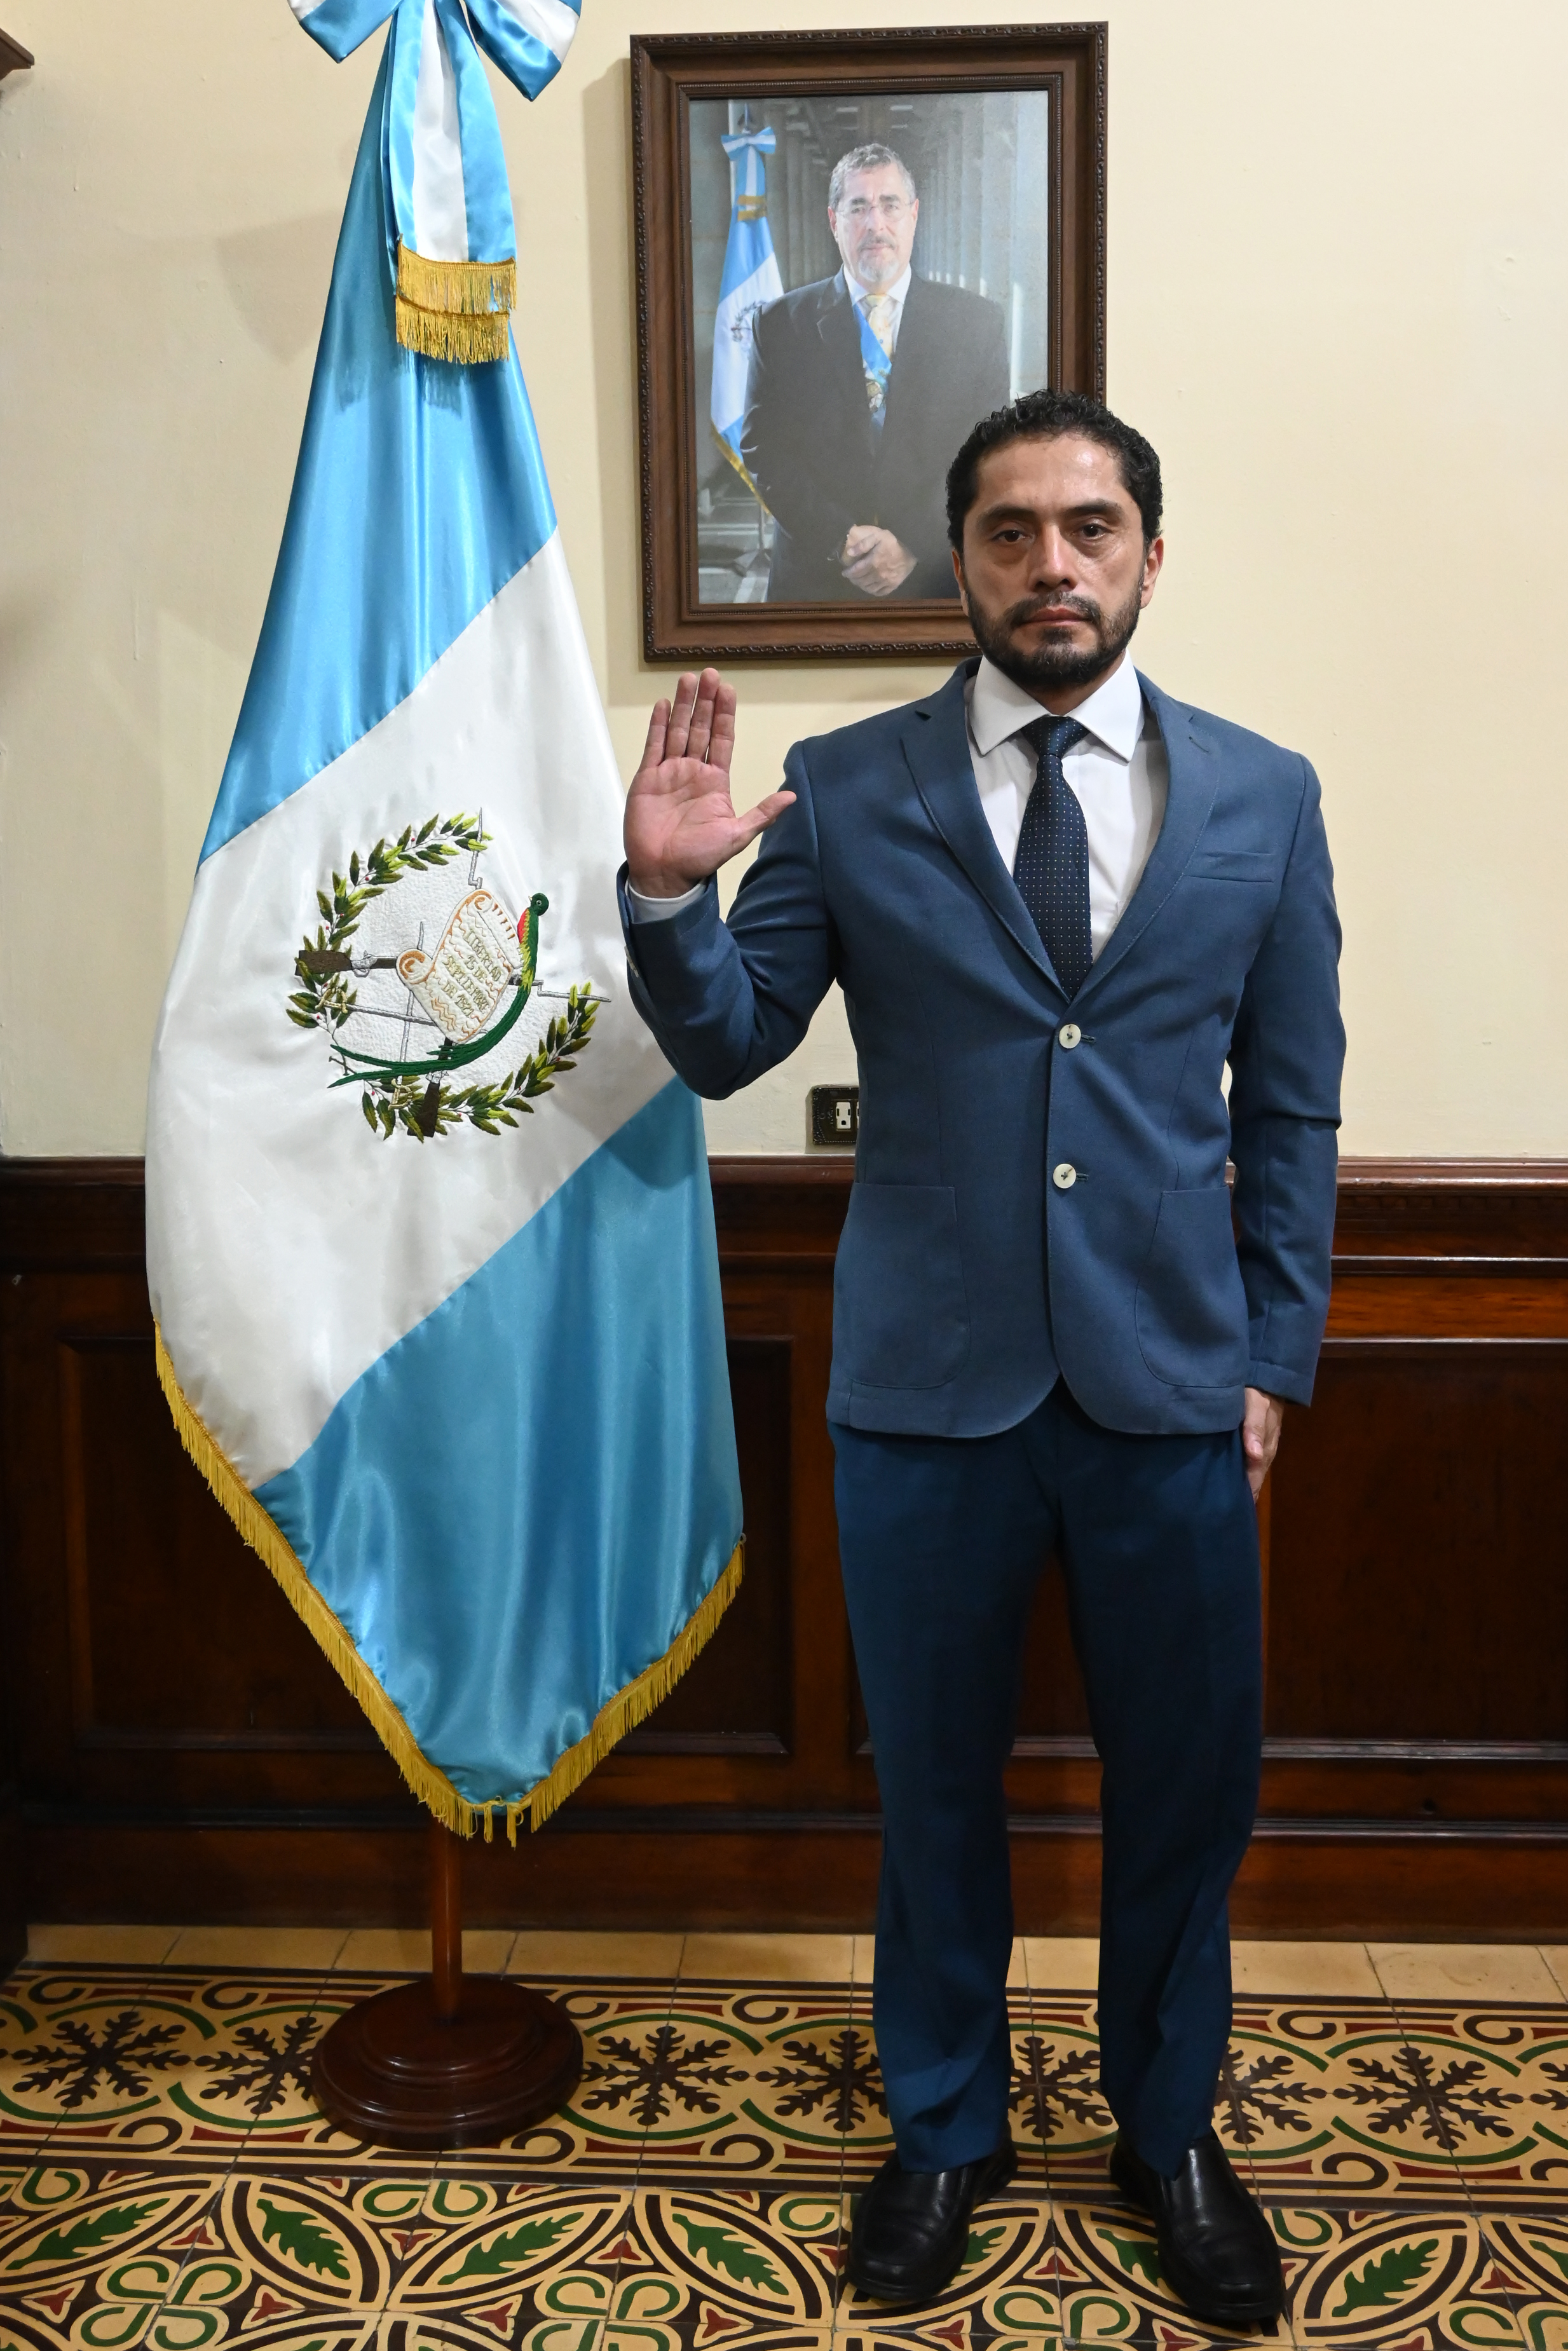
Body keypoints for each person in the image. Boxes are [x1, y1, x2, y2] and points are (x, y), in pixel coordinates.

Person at [618, 388, 1343, 2330]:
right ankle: (944, 2128)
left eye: (1089, 527)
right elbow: (731, 1043)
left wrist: (1272, 1356)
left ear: (1149, 555)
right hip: (923, 1391)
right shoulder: (849, 785)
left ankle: (1166, 2129)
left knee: (1186, 1791)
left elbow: (1290, 1108)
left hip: (1176, 1389)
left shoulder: (1265, 795)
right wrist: (671, 894)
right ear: (958, 561)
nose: (1051, 564)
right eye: (1010, 531)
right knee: (933, 1788)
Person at [740, 142, 1009, 603]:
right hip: (813, 581)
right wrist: (839, 538)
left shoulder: (976, 324)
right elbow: (764, 449)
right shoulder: (780, 324)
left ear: (914, 215)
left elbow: (990, 452)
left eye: (889, 205)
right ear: (834, 221)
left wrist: (912, 543)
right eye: (858, 207)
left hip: (935, 578)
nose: (875, 224)